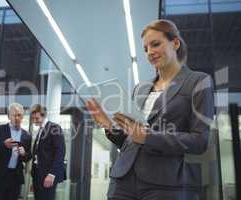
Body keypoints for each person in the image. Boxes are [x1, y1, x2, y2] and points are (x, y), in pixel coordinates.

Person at [86, 19, 214, 200]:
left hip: (164, 183)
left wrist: (147, 137)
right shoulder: (141, 88)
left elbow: (200, 140)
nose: (150, 52)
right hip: (122, 180)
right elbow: (130, 142)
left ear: (175, 43)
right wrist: (108, 125)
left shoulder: (198, 82)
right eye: (145, 48)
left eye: (155, 44)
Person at [0, 102, 32, 200]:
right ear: (8, 116)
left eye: (19, 115)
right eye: (14, 115)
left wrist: (24, 153)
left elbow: (28, 157)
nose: (16, 118)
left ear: (23, 116)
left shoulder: (27, 135)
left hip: (15, 178)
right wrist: (4, 145)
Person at [30, 104, 66, 200]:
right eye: (33, 118)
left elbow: (60, 152)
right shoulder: (40, 131)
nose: (34, 121)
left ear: (44, 116)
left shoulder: (55, 128)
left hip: (48, 174)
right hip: (38, 175)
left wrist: (52, 174)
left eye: (36, 118)